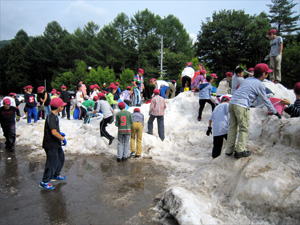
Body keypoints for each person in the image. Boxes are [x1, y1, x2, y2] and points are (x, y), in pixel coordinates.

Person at [226, 63, 282, 159]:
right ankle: (239, 150)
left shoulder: (247, 80)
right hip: (241, 105)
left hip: (232, 103)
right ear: (263, 74)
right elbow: (266, 100)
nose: (267, 75)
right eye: (267, 73)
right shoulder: (259, 84)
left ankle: (229, 150)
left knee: (232, 127)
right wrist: (276, 112)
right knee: (243, 128)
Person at [40, 98, 67, 190]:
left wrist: (60, 133)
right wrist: (62, 138)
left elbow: (55, 130)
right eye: (62, 105)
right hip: (50, 144)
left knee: (61, 158)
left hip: (56, 143)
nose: (63, 107)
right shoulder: (51, 117)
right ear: (59, 107)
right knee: (51, 162)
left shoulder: (54, 116)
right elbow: (54, 132)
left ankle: (55, 175)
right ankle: (44, 181)